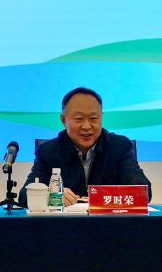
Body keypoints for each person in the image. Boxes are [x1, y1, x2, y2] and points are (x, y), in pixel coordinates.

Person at [18, 87, 151, 207]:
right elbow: (24, 195)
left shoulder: (119, 147)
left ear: (101, 118)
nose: (87, 126)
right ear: (64, 120)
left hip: (110, 223)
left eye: (93, 118)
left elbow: (144, 192)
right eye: (79, 119)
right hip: (64, 224)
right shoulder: (48, 151)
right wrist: (49, 195)